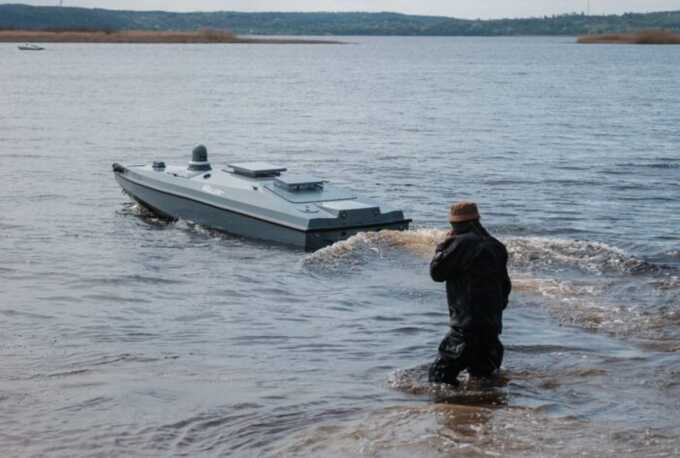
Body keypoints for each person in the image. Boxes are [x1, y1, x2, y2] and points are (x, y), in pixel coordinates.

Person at [428, 201, 511, 385]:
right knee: (484, 382)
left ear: (455, 224)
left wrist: (442, 247)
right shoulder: (496, 246)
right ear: (477, 219)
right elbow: (505, 288)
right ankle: (486, 412)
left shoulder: (460, 243)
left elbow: (437, 273)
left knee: (438, 381)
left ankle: (452, 412)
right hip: (492, 330)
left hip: (465, 331)